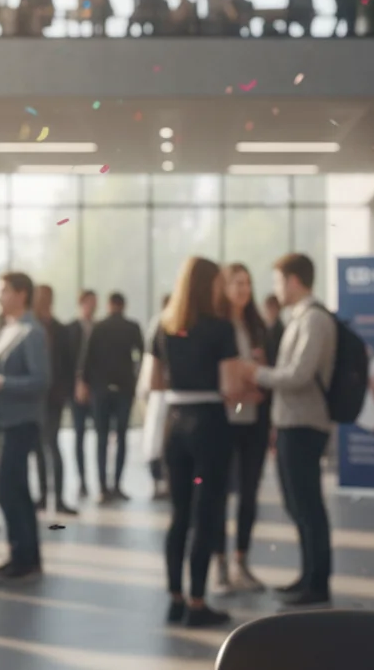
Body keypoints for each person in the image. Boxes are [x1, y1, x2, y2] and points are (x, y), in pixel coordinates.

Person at [149, 257, 248, 627]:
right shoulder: (221, 328)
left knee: (179, 515)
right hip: (209, 426)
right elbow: (231, 389)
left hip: (175, 425)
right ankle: (197, 602)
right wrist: (246, 393)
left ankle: (174, 600)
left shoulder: (163, 326)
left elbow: (153, 383)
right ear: (211, 285)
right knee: (205, 516)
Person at [240, 253, 336, 607]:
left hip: (304, 423)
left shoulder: (314, 320)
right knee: (298, 503)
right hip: (292, 422)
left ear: (294, 280)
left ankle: (317, 582)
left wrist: (256, 373)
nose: (276, 288)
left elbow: (299, 375)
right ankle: (308, 576)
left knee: (308, 504)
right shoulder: (300, 318)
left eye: (279, 280)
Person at [0, 272, 50, 582]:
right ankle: (24, 555)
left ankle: (23, 554)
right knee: (17, 489)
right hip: (2, 419)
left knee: (5, 487)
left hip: (21, 421)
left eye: (4, 291)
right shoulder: (9, 329)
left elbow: (41, 379)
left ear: (22, 294)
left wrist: (0, 382)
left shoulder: (31, 333)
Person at [212, 264, 270, 593]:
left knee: (249, 492)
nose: (242, 289)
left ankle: (241, 561)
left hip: (254, 420)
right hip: (223, 420)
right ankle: (219, 564)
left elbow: (265, 372)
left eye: (247, 283)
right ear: (224, 287)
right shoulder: (216, 326)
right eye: (236, 283)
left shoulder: (257, 326)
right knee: (219, 493)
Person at [82, 291, 144, 501]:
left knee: (101, 437)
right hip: (124, 388)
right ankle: (117, 484)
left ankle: (102, 486)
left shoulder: (99, 327)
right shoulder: (132, 327)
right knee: (122, 437)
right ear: (123, 305)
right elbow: (142, 355)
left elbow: (87, 358)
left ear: (109, 305)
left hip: (101, 389)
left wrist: (86, 383)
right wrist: (135, 378)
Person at [32, 284, 77, 515]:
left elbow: (70, 364)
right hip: (33, 397)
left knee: (51, 443)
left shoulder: (60, 329)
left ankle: (58, 498)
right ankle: (42, 496)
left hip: (54, 397)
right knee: (38, 447)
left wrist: (66, 392)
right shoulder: (29, 328)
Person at [139, 294, 173, 499]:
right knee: (156, 440)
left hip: (170, 394)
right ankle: (158, 481)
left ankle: (166, 481)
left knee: (163, 441)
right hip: (160, 394)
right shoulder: (159, 326)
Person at [65, 290, 98, 498]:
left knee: (101, 435)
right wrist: (77, 383)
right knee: (79, 435)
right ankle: (82, 481)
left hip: (96, 389)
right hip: (76, 389)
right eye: (90, 302)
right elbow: (68, 360)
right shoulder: (70, 329)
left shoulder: (100, 328)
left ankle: (101, 481)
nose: (93, 306)